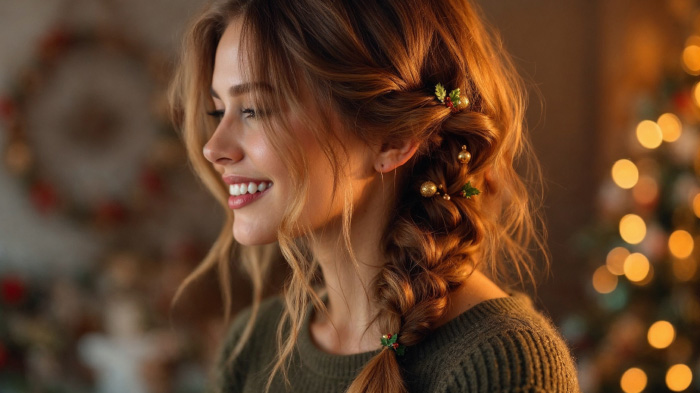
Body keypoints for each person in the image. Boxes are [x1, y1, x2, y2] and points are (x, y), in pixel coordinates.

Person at [169, 0, 581, 392]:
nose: (214, 148)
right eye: (218, 111)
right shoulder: (251, 347)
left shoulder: (502, 364)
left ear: (394, 138)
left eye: (255, 109)